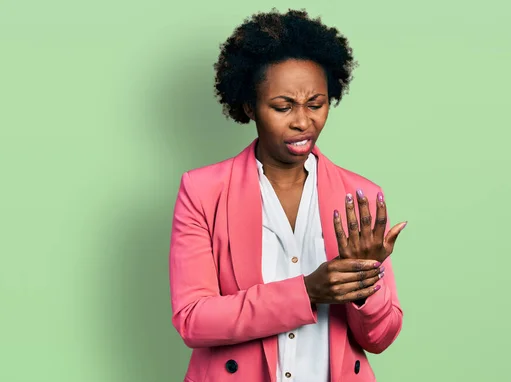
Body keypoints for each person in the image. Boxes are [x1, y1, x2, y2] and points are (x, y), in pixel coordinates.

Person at [169, 8, 408, 382]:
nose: (303, 121)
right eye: (283, 107)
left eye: (316, 104)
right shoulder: (202, 192)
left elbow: (380, 337)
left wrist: (364, 286)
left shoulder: (360, 196)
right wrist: (307, 291)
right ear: (249, 106)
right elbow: (193, 320)